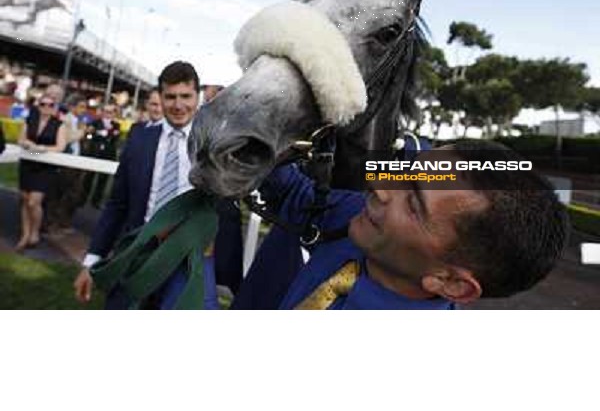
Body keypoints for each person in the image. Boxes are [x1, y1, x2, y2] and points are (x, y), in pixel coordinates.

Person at [250, 140, 569, 310]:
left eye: (414, 205)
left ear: (452, 284)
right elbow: (295, 194)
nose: (381, 187)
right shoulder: (358, 214)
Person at [73, 61, 242, 308]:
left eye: (186, 96)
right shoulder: (140, 138)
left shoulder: (216, 143)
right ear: (160, 98)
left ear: (198, 97)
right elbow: (117, 204)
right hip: (137, 253)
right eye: (170, 96)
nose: (178, 105)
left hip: (189, 259)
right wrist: (92, 260)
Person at [16, 93, 67, 250]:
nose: (46, 108)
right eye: (43, 104)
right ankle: (25, 234)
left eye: (50, 105)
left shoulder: (59, 125)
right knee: (25, 201)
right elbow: (20, 139)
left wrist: (43, 149)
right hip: (28, 165)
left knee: (34, 201)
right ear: (38, 106)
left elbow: (61, 147)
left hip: (45, 168)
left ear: (55, 108)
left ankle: (34, 232)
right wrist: (26, 144)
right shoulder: (29, 120)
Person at [46, 94, 89, 231]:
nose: (84, 110)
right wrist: (82, 132)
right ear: (72, 107)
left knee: (74, 194)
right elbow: (66, 139)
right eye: (81, 106)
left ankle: (62, 221)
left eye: (85, 107)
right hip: (65, 162)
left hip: (77, 162)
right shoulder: (65, 120)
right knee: (59, 193)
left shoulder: (80, 122)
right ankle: (52, 223)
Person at [83, 103, 121, 208]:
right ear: (103, 112)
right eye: (106, 111)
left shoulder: (116, 125)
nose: (108, 114)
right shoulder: (95, 122)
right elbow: (89, 135)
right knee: (88, 177)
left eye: (111, 112)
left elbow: (115, 138)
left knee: (103, 180)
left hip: (108, 154)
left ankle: (96, 201)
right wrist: (98, 133)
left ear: (114, 113)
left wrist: (106, 133)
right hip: (94, 152)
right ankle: (83, 198)